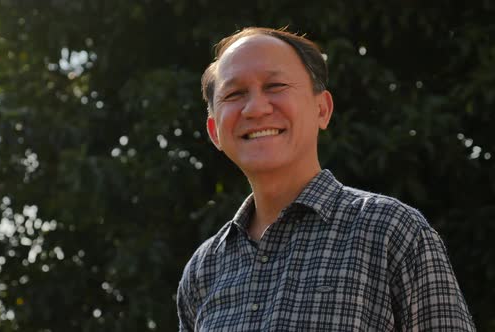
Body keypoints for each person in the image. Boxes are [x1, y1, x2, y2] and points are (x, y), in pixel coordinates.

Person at [176, 27, 475, 331]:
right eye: (234, 94)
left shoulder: (392, 231)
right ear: (215, 132)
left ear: (322, 109)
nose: (255, 108)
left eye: (275, 85)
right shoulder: (203, 270)